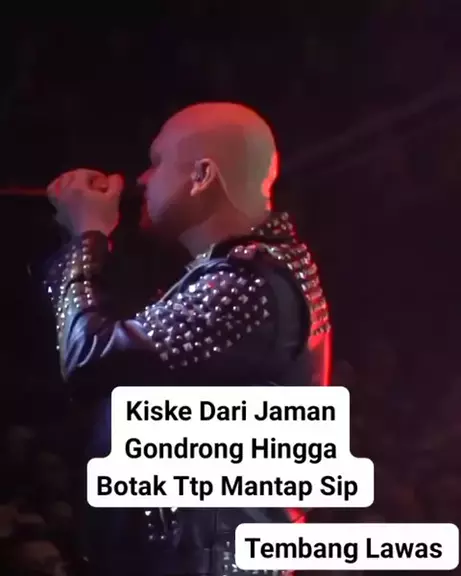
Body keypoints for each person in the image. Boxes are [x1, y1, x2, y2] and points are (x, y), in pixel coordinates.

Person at [44, 102, 332, 576]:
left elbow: (90, 359)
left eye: (157, 163)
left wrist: (87, 235)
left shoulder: (247, 282)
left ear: (202, 176)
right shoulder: (256, 268)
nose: (140, 180)